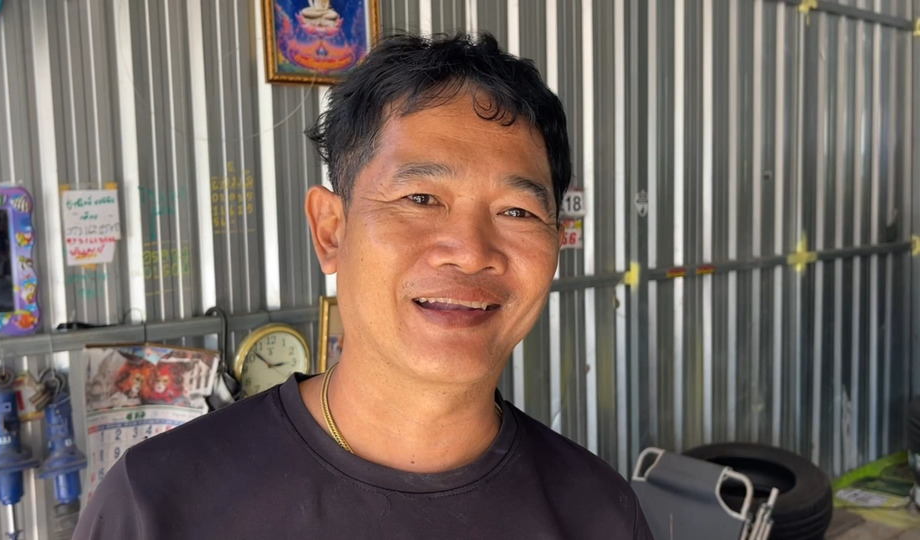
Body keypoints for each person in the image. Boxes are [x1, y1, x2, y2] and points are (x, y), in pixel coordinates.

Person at [74, 32, 652, 539]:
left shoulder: (598, 514)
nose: (472, 252)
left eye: (517, 211)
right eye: (421, 198)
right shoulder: (158, 504)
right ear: (331, 230)